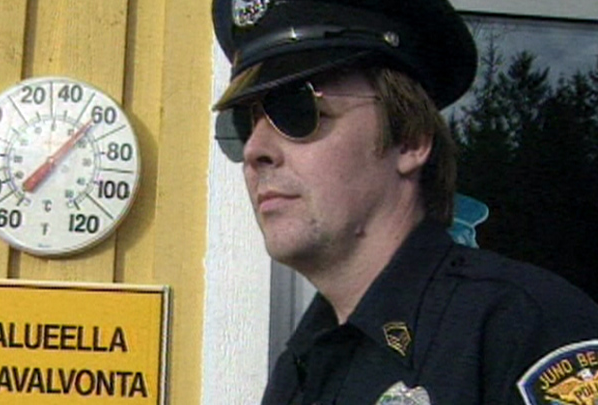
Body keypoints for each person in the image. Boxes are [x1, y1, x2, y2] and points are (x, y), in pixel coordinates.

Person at [211, 0, 598, 404]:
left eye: (296, 111)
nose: (254, 150)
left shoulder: (523, 330)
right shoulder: (301, 368)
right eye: (244, 124)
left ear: (410, 139)